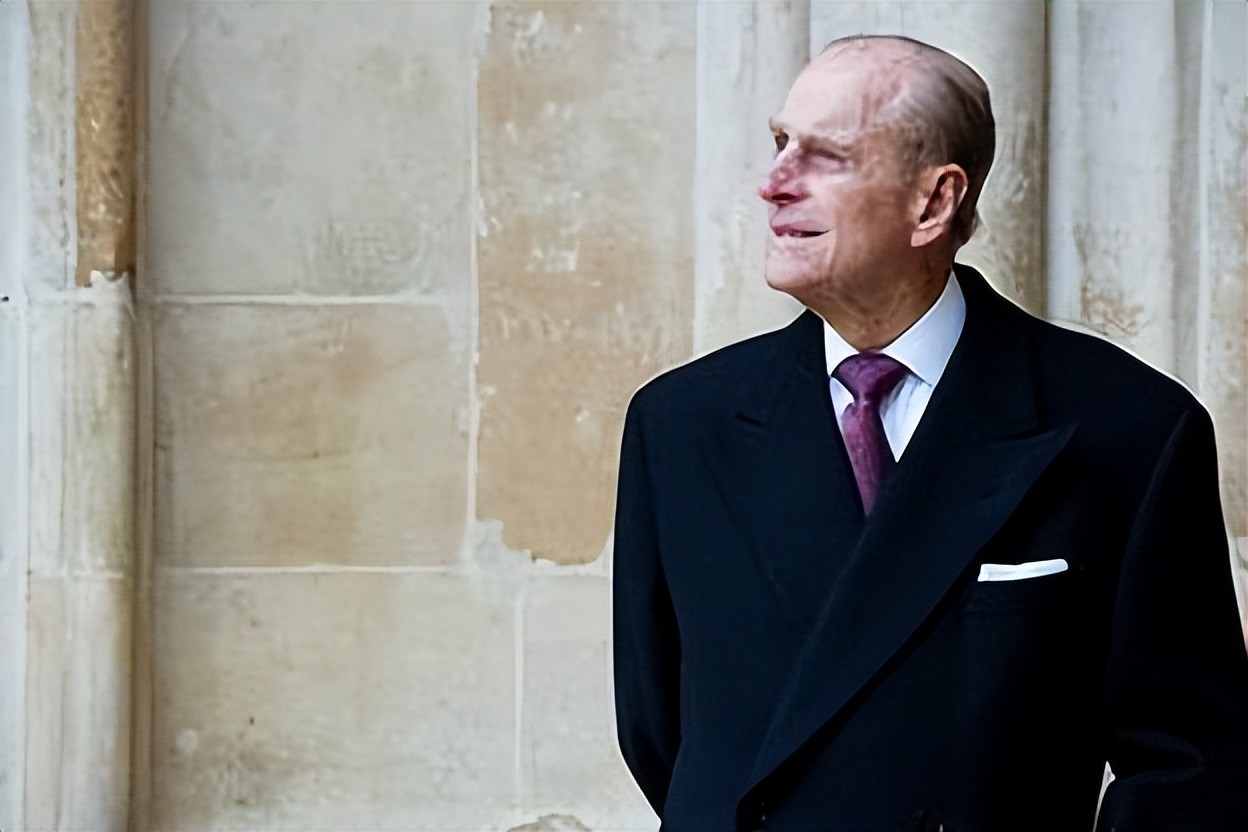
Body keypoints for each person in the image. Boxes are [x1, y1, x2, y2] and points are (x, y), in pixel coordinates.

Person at [611, 34, 1248, 832]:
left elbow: (1189, 766)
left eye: (826, 156)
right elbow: (660, 736)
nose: (774, 184)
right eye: (779, 144)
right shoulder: (679, 425)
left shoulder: (1130, 428)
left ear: (934, 202)